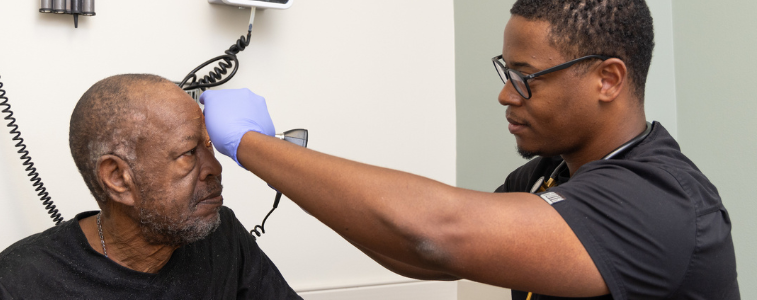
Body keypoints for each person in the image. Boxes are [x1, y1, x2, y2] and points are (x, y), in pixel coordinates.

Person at [198, 0, 739, 299]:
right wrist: (290, 171)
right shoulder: (547, 177)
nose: (506, 94)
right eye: (506, 72)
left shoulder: (661, 200)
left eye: (527, 77)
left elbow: (436, 234)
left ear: (608, 79)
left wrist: (254, 147)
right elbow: (410, 250)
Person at [0, 74, 301, 299]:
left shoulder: (222, 237)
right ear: (117, 179)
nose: (214, 168)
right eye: (188, 153)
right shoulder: (18, 285)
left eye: (209, 147)